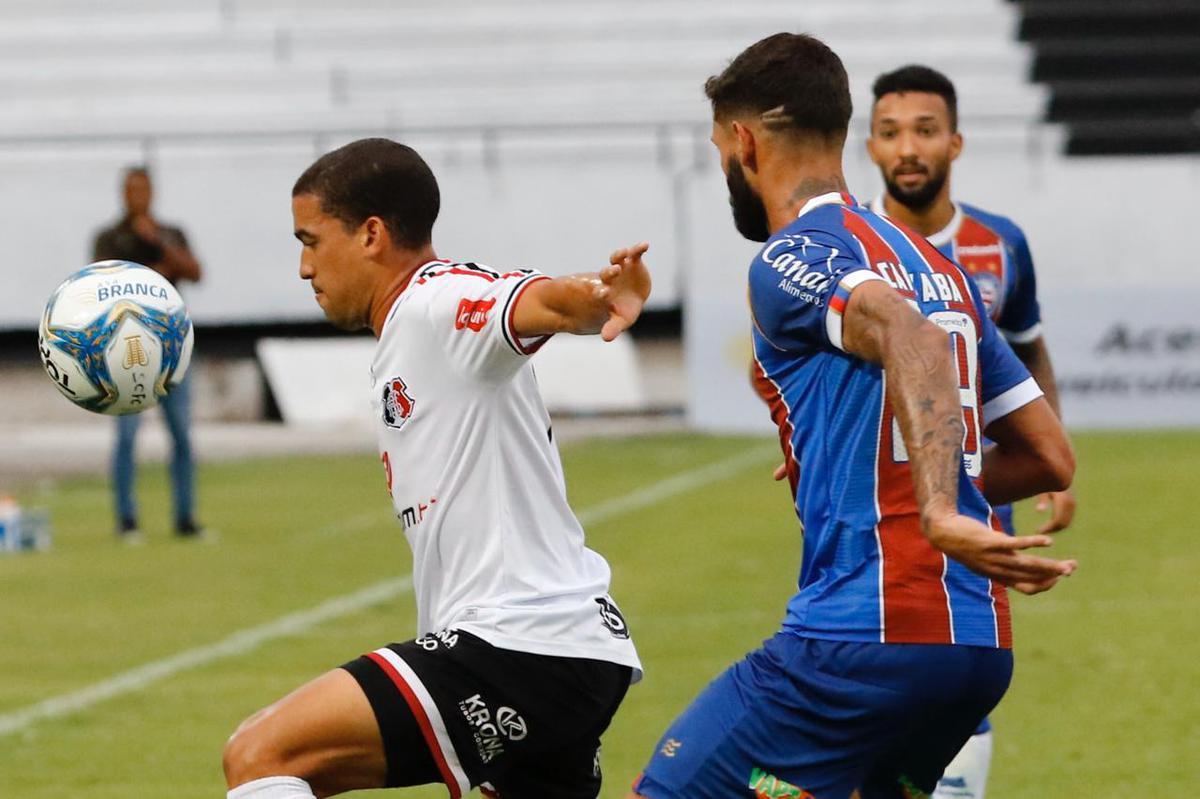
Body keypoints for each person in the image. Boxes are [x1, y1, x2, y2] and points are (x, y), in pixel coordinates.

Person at [628, 33, 1076, 799]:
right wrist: (855, 469)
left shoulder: (789, 255)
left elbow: (913, 335)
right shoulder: (942, 267)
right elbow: (1047, 457)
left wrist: (935, 506)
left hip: (860, 638)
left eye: (718, 149)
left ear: (743, 142)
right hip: (974, 649)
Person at [222, 138, 648, 799]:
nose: (304, 267)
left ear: (371, 234)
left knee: (260, 755)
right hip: (566, 649)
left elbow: (533, 301)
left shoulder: (434, 302)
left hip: (519, 643)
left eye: (311, 240)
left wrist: (597, 296)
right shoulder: (408, 331)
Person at [866, 64, 1078, 799]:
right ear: (869, 146)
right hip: (874, 502)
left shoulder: (998, 245)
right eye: (891, 133)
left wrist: (1051, 458)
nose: (908, 149)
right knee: (879, 668)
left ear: (956, 142)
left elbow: (1028, 349)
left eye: (925, 131)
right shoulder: (847, 247)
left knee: (959, 669)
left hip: (977, 497)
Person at [92, 165, 204, 540]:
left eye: (142, 189)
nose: (136, 196)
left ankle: (185, 518)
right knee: (126, 436)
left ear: (152, 192)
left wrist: (157, 243)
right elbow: (104, 282)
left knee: (182, 435)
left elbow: (194, 271)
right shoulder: (110, 238)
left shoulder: (170, 233)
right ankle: (126, 520)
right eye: (130, 190)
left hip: (170, 343)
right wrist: (155, 270)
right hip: (125, 347)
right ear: (122, 194)